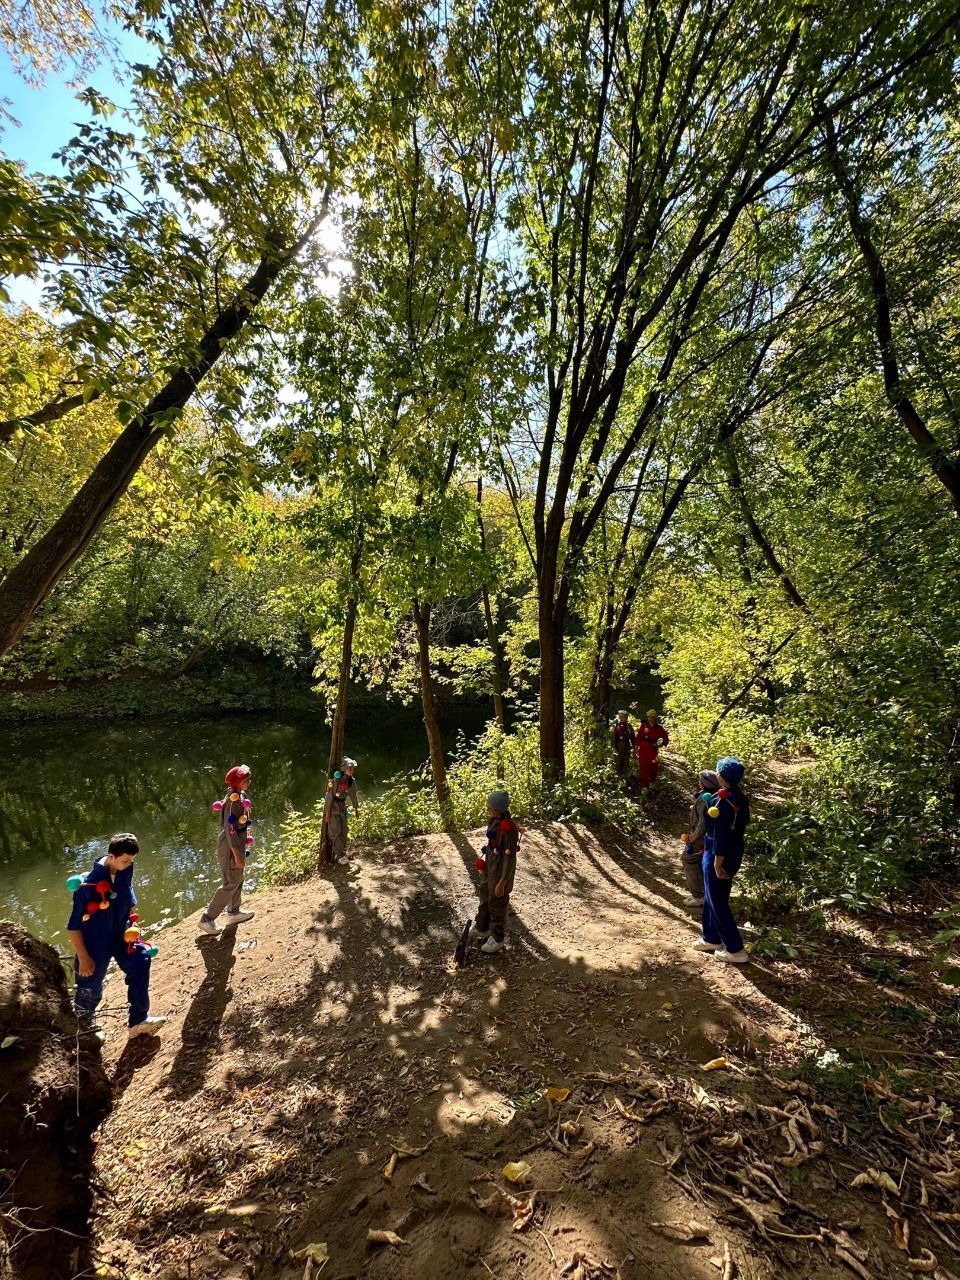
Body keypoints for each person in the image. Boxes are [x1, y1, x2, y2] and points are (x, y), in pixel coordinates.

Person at [67, 832, 167, 1040]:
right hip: (95, 944)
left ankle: (138, 1021)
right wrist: (84, 958)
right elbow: (73, 927)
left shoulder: (126, 868)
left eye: (131, 860)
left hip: (121, 936)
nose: (129, 863)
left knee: (141, 961)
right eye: (125, 860)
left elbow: (128, 898)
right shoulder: (86, 885)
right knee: (90, 987)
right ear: (111, 856)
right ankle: (84, 1028)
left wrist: (132, 922)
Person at [691, 757, 751, 964]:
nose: (715, 773)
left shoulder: (722, 802)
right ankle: (711, 937)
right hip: (732, 852)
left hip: (719, 854)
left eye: (717, 770)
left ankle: (735, 949)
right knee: (712, 895)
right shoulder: (739, 798)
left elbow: (720, 835)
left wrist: (717, 862)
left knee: (718, 901)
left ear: (722, 776)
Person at [198, 764, 256, 936]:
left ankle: (234, 912)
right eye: (247, 780)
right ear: (238, 783)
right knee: (231, 881)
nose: (249, 782)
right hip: (231, 843)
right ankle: (207, 919)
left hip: (238, 840)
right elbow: (229, 827)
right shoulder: (232, 801)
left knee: (238, 877)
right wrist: (236, 852)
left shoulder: (240, 795)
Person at [470, 788, 519, 955]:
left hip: (500, 871)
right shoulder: (493, 821)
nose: (487, 809)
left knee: (497, 902)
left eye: (490, 807)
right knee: (484, 895)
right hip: (490, 865)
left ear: (498, 809)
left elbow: (509, 858)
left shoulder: (509, 830)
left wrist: (503, 881)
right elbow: (491, 844)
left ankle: (497, 938)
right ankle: (483, 927)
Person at [681, 769, 720, 908]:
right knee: (700, 863)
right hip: (704, 838)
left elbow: (703, 821)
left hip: (700, 839)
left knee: (689, 860)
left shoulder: (706, 800)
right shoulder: (708, 795)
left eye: (700, 780)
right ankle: (702, 893)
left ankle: (699, 896)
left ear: (704, 784)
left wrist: (694, 836)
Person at [323, 756, 359, 864]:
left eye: (352, 769)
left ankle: (342, 851)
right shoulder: (334, 781)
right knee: (335, 829)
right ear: (344, 769)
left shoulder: (351, 781)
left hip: (342, 805)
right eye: (349, 769)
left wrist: (356, 809)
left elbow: (353, 795)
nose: (352, 771)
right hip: (334, 804)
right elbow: (328, 797)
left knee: (344, 828)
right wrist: (328, 813)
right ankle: (339, 854)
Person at [634, 707, 669, 788]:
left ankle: (652, 782)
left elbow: (666, 739)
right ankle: (644, 786)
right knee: (643, 768)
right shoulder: (644, 725)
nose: (650, 719)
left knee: (653, 768)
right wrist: (636, 747)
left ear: (655, 718)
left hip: (653, 751)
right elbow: (639, 736)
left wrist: (659, 744)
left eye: (652, 717)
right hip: (643, 750)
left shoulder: (659, 728)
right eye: (649, 717)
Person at [611, 710, 636, 780]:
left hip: (626, 745)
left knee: (626, 760)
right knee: (618, 760)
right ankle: (618, 775)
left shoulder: (629, 726)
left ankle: (625, 775)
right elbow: (613, 736)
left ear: (626, 718)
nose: (622, 718)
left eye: (623, 717)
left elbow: (633, 737)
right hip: (618, 745)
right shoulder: (616, 725)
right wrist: (613, 746)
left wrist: (634, 746)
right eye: (620, 717)